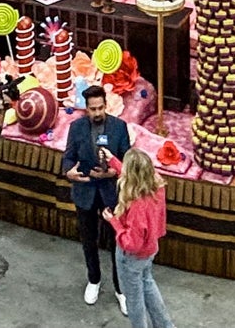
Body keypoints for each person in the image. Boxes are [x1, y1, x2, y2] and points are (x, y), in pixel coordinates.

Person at [61, 83, 132, 310]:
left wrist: (114, 171)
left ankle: (121, 289)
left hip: (111, 193)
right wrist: (69, 172)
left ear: (106, 105)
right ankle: (94, 280)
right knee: (88, 240)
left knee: (117, 244)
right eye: (93, 109)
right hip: (85, 191)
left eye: (100, 108)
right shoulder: (76, 128)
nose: (97, 112)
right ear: (86, 108)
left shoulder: (119, 127)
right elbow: (68, 157)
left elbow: (128, 160)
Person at [104, 149, 175, 328]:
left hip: (132, 257)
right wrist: (113, 160)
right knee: (148, 283)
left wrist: (114, 222)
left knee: (134, 299)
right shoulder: (157, 186)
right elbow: (136, 175)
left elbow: (131, 244)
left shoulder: (137, 206)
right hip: (150, 249)